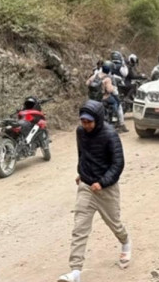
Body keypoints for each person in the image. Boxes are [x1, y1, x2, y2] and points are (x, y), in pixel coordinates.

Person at [58, 101, 131, 282]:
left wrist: (103, 181)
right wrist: (81, 173)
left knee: (114, 223)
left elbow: (118, 164)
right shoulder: (80, 132)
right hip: (87, 187)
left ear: (97, 119)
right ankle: (75, 272)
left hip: (106, 189)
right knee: (79, 228)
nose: (86, 125)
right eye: (83, 121)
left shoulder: (110, 135)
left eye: (89, 122)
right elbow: (83, 154)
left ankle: (125, 242)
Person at [87, 64, 127, 133]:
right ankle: (115, 119)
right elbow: (109, 90)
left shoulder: (95, 75)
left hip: (94, 98)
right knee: (116, 103)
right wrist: (113, 88)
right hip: (105, 97)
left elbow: (87, 83)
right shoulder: (107, 78)